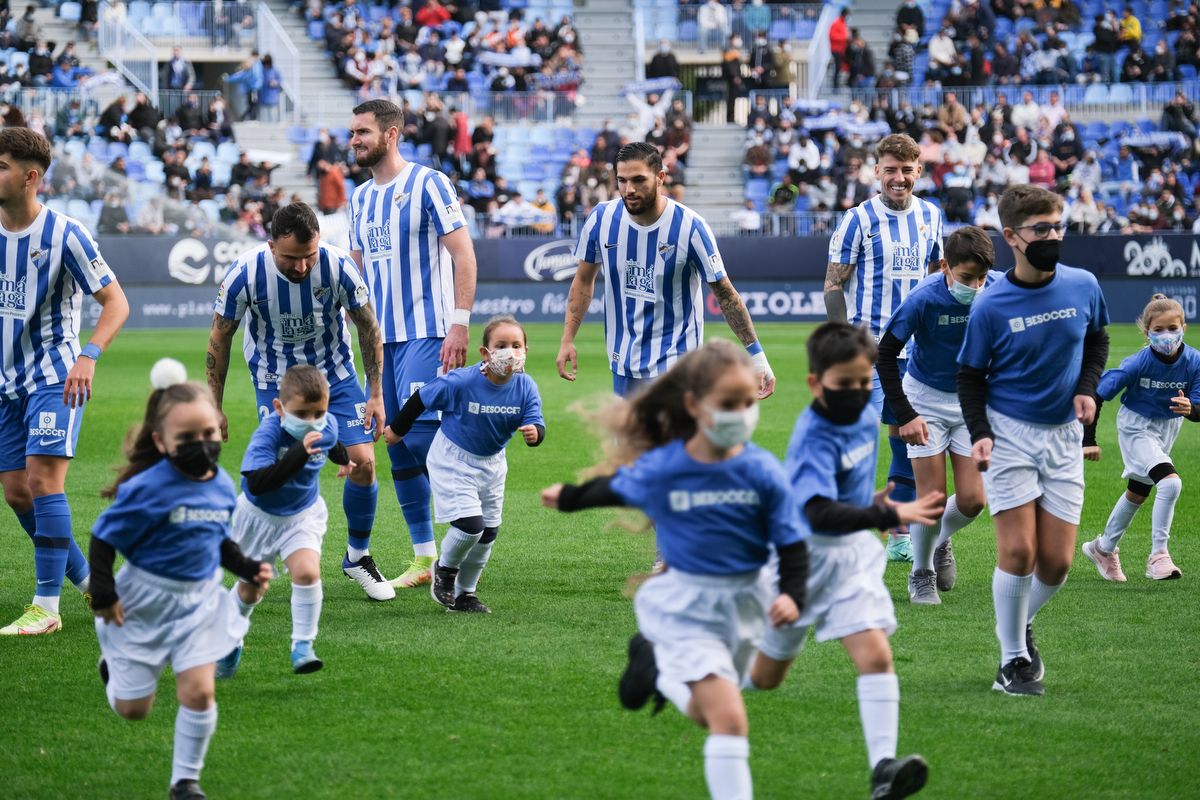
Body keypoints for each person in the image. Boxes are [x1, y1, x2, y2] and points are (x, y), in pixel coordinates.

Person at [540, 340, 807, 800]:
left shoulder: (762, 470)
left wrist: (793, 594)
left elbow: (791, 540)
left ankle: (656, 666)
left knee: (711, 714)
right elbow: (617, 489)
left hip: (749, 599)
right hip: (688, 604)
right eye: (728, 404)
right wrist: (568, 497)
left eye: (747, 403)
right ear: (694, 405)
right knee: (729, 720)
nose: (742, 414)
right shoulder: (669, 466)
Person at [747, 322, 939, 799]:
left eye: (864, 381)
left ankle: (883, 771)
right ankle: (672, 671)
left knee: (875, 654)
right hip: (803, 561)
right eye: (844, 384)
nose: (857, 392)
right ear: (815, 384)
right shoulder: (815, 433)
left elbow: (839, 495)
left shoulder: (859, 416)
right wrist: (884, 511)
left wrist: (866, 502)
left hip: (851, 557)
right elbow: (815, 511)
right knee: (766, 677)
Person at [957, 185, 1110, 696]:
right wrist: (979, 433)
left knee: (1058, 563)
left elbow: (1098, 340)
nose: (1052, 236)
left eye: (1057, 226)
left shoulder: (1084, 285)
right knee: (1019, 553)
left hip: (1064, 436)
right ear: (1011, 237)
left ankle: (1018, 621)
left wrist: (1087, 389)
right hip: (1008, 436)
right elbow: (970, 376)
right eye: (1040, 229)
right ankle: (1012, 660)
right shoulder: (990, 305)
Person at [89, 375, 271, 800]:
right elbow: (103, 539)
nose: (201, 444)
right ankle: (113, 664)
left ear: (220, 428)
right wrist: (104, 592)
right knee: (135, 710)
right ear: (161, 442)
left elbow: (219, 540)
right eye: (186, 437)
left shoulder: (223, 485)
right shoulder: (145, 489)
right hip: (144, 602)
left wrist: (246, 567)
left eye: (208, 433)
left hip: (200, 602)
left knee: (200, 691)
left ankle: (185, 782)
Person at [206, 203, 392, 602]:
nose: (303, 267)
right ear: (271, 245)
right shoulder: (245, 273)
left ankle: (358, 556)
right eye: (292, 258)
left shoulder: (339, 266)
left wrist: (375, 394)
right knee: (277, 471)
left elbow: (369, 327)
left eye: (309, 256)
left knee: (363, 463)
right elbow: (219, 337)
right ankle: (254, 557)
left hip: (336, 379)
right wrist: (214, 405)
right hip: (275, 384)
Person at [0, 129, 130, 636]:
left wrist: (89, 356)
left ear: (30, 176)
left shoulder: (65, 234)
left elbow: (116, 302)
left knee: (43, 481)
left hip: (56, 376)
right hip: (6, 382)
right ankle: (93, 580)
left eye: (2, 164)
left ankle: (46, 607)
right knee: (16, 493)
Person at [346, 99, 478, 589]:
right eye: (353, 133)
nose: (355, 141)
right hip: (381, 342)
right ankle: (424, 558)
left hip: (427, 330)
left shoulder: (429, 183)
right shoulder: (359, 199)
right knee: (394, 442)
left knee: (423, 440)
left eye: (363, 132)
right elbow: (355, 275)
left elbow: (463, 254)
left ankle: (467, 538)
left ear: (392, 133)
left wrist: (459, 324)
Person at [557, 142, 775, 400]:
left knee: (673, 440)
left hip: (679, 365)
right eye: (622, 180)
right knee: (631, 441)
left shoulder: (691, 227)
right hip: (623, 363)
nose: (629, 189)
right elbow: (583, 280)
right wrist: (567, 339)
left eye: (639, 180)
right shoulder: (601, 219)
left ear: (661, 178)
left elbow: (725, 294)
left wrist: (758, 357)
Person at [824, 133, 945, 564]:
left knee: (906, 438)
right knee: (858, 439)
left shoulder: (931, 217)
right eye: (890, 170)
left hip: (919, 355)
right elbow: (833, 285)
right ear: (876, 171)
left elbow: (937, 279)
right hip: (869, 350)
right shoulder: (857, 220)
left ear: (918, 172)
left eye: (906, 171)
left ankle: (897, 532)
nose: (898, 178)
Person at [383, 316, 545, 613]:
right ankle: (444, 571)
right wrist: (397, 429)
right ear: (485, 353)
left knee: (488, 532)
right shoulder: (463, 381)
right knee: (471, 526)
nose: (510, 352)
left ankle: (464, 595)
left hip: (493, 463)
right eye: (501, 346)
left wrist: (535, 434)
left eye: (516, 345)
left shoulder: (525, 387)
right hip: (453, 459)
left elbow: (536, 421)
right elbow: (421, 399)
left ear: (525, 351)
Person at [877, 227, 1000, 605]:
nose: (976, 286)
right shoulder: (922, 298)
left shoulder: (997, 289)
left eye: (982, 277)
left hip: (971, 402)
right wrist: (906, 415)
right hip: (925, 400)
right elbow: (884, 355)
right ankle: (921, 573)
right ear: (945, 267)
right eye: (967, 278)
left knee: (972, 501)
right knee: (931, 499)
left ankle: (936, 538)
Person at [218, 365, 355, 677]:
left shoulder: (326, 423)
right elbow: (256, 483)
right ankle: (229, 640)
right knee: (252, 589)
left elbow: (333, 441)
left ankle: (303, 647)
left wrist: (346, 461)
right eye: (302, 414)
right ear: (279, 408)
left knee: (307, 573)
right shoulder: (268, 433)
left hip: (301, 516)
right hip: (258, 519)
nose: (311, 421)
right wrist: (299, 454)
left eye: (318, 412)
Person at [1082, 295, 1200, 582]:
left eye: (1172, 327)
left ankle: (1103, 548)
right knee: (1170, 483)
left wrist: (1192, 409)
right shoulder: (1137, 363)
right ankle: (1159, 555)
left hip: (1168, 428)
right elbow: (1097, 394)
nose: (1166, 335)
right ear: (1146, 332)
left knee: (1138, 491)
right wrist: (1089, 439)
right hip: (1137, 426)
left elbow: (1198, 410)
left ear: (1183, 326)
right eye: (1158, 330)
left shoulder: (1194, 361)